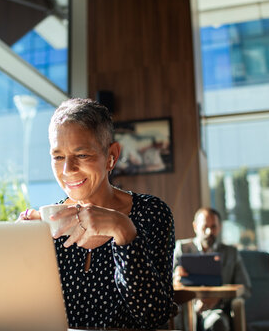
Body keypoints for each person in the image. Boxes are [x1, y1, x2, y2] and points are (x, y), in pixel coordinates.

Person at [18, 98, 175, 329]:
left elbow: (154, 315)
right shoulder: (48, 224)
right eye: (58, 157)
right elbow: (27, 313)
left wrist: (123, 230)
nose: (67, 170)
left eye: (82, 155)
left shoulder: (152, 213)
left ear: (111, 155)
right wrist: (17, 253)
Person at [173, 207, 251, 331]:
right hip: (187, 310)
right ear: (195, 226)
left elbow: (245, 288)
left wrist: (219, 297)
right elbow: (167, 283)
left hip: (216, 310)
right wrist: (175, 278)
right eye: (205, 227)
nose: (209, 231)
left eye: (213, 227)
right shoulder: (181, 248)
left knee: (217, 322)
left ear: (219, 227)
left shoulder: (231, 253)